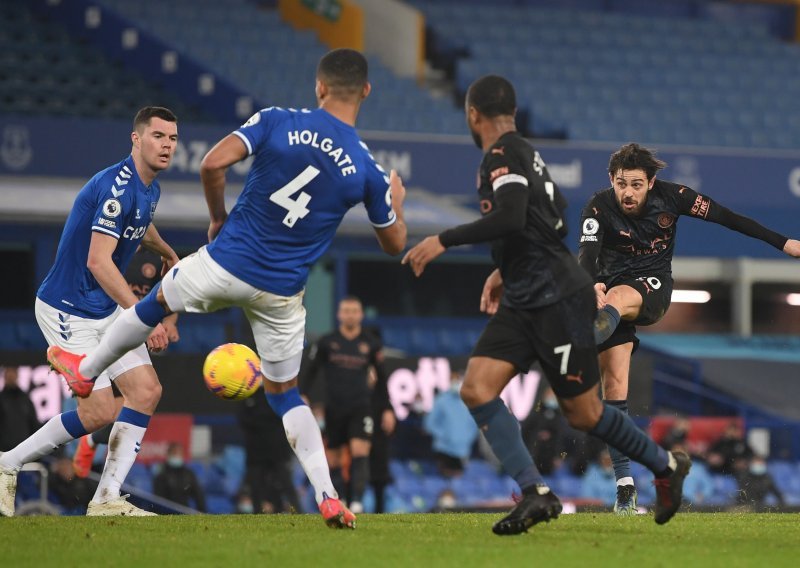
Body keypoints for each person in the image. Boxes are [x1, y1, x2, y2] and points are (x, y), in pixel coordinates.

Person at [47, 48, 407, 529]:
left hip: (225, 262)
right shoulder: (367, 168)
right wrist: (395, 203)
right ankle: (327, 495)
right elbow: (393, 243)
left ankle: (86, 371)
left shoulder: (278, 120)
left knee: (152, 305)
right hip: (282, 292)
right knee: (285, 396)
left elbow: (212, 165)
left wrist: (218, 218)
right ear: (365, 91)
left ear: (319, 87)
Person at [402, 75, 690, 535]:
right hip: (524, 295)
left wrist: (443, 239)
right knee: (476, 388)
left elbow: (513, 216)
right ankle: (535, 493)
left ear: (473, 115)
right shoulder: (529, 156)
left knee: (585, 414)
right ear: (511, 113)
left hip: (554, 297)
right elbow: (550, 221)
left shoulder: (501, 156)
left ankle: (664, 467)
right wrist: (505, 267)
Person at [577, 143, 800, 514]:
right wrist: (590, 284)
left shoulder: (676, 197)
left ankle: (572, 349)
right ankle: (626, 491)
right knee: (614, 392)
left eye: (635, 184)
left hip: (651, 289)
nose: (627, 193)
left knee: (615, 296)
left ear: (650, 182)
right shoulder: (598, 207)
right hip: (609, 305)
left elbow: (728, 218)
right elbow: (586, 253)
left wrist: (783, 242)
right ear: (611, 181)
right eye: (620, 184)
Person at [0, 107, 180, 518]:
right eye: (158, 136)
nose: (167, 144)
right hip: (69, 307)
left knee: (147, 391)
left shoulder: (149, 187)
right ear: (136, 139)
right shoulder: (117, 187)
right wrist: (141, 315)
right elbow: (100, 262)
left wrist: (166, 251)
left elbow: (142, 223)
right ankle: (8, 462)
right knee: (96, 412)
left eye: (172, 138)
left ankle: (106, 499)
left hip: (102, 306)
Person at [72, 248, 180, 478]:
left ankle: (98, 454)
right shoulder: (105, 251)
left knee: (142, 399)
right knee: (100, 411)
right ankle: (90, 441)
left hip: (136, 338)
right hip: (102, 331)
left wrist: (170, 322)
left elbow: (172, 295)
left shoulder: (155, 257)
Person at [301, 296, 390, 513]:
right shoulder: (327, 342)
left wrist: (388, 409)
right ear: (339, 314)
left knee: (360, 451)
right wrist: (303, 394)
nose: (350, 314)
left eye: (354, 311)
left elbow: (382, 379)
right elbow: (310, 371)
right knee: (335, 459)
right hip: (335, 408)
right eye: (346, 311)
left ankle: (357, 502)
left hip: (361, 406)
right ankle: (340, 502)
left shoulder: (371, 343)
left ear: (360, 315)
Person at [237, 385, 300, 513]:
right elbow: (242, 419)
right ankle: (257, 514)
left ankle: (299, 511)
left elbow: (283, 415)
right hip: (255, 451)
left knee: (286, 483)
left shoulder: (277, 394)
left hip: (277, 450)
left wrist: (260, 421)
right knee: (255, 485)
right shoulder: (247, 395)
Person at [423, 371, 478, 478]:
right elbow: (429, 423)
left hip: (463, 450)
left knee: (459, 485)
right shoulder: (441, 400)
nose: (456, 382)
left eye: (458, 380)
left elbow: (474, 425)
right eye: (453, 380)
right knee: (443, 482)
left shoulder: (468, 402)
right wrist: (445, 436)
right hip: (444, 450)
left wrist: (466, 439)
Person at [152, 442, 206, 512]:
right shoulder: (161, 475)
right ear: (168, 454)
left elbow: (198, 495)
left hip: (185, 512)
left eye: (179, 454)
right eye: (174, 453)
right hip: (166, 513)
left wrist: (201, 513)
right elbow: (158, 499)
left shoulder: (189, 474)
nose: (177, 456)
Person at [0, 367, 41, 452]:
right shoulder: (1, 398)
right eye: (8, 375)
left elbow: (33, 423)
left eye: (13, 374)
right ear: (4, 377)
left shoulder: (25, 399)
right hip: (3, 450)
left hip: (23, 449)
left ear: (17, 376)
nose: (11, 378)